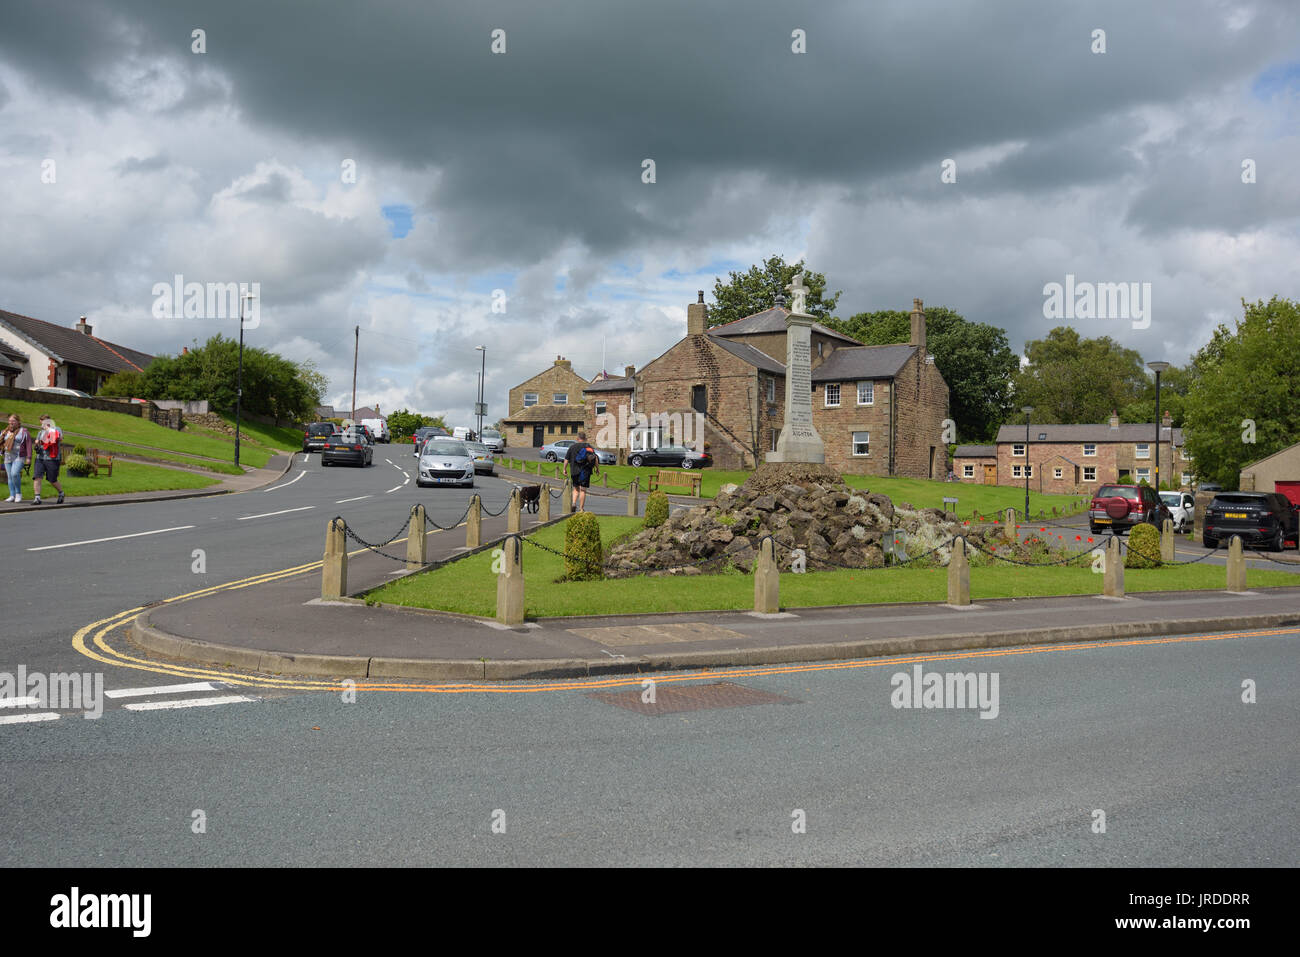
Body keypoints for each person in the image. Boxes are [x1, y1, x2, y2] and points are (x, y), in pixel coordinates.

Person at [32, 414, 65, 505]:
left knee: (52, 479)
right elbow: (38, 442)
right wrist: (37, 443)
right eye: (41, 423)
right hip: (40, 458)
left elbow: (60, 438)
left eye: (43, 422)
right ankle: (37, 498)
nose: (42, 424)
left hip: (52, 458)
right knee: (37, 476)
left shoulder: (56, 429)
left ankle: (61, 493)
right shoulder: (40, 432)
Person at [563, 431, 599, 511]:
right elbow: (595, 458)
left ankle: (573, 503)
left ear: (577, 438)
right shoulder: (588, 446)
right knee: (583, 490)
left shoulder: (572, 447)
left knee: (575, 488)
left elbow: (566, 459)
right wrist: (597, 468)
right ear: (585, 438)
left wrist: (564, 469)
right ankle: (581, 508)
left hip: (574, 471)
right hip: (585, 471)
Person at [3, 413, 32, 503]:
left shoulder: (23, 432)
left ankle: (18, 494)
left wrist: (29, 457)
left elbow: (28, 445)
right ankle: (12, 495)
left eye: (13, 421)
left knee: (15, 473)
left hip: (19, 456)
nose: (11, 422)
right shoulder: (5, 431)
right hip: (8, 456)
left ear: (18, 422)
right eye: (10, 421)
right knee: (10, 476)